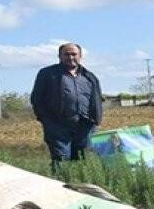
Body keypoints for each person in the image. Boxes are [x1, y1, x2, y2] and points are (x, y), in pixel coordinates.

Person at [30, 42, 103, 171]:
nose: (70, 57)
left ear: (80, 56)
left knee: (82, 159)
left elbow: (96, 99)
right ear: (59, 56)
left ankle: (78, 187)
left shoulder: (89, 76)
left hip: (84, 126)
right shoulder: (47, 74)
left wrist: (95, 120)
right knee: (61, 159)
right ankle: (59, 186)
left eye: (74, 54)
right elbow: (37, 99)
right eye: (66, 54)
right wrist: (46, 120)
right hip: (57, 125)